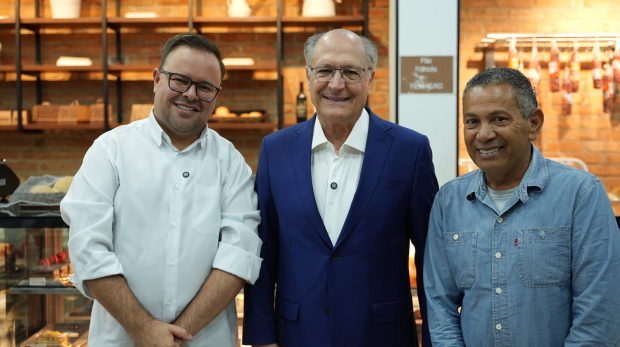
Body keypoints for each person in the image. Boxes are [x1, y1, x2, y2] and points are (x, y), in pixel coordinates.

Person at [60, 33, 262, 347]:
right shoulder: (110, 150)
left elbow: (239, 256)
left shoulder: (231, 162)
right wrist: (142, 329)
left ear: (216, 95)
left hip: (204, 338)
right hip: (122, 338)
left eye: (205, 87)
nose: (191, 94)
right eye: (180, 80)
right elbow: (89, 250)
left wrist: (175, 336)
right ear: (156, 79)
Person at [242, 29, 438, 347]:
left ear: (369, 78)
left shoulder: (409, 150)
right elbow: (263, 252)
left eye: (350, 72)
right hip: (297, 336)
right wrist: (262, 338)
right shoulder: (275, 150)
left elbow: (432, 259)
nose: (336, 84)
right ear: (308, 75)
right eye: (325, 71)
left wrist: (435, 339)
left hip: (383, 336)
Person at [424, 67, 620, 346]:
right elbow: (440, 307)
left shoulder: (581, 195)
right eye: (472, 121)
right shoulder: (448, 202)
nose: (484, 134)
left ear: (534, 124)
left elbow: (600, 316)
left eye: (499, 119)